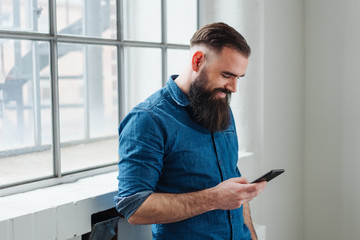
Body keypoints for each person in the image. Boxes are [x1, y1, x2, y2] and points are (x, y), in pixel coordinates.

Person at [114, 22, 267, 240]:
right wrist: (215, 198)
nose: (234, 87)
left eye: (238, 78)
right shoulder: (148, 119)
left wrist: (251, 236)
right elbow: (134, 207)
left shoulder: (221, 108)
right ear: (197, 61)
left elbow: (234, 182)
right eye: (226, 75)